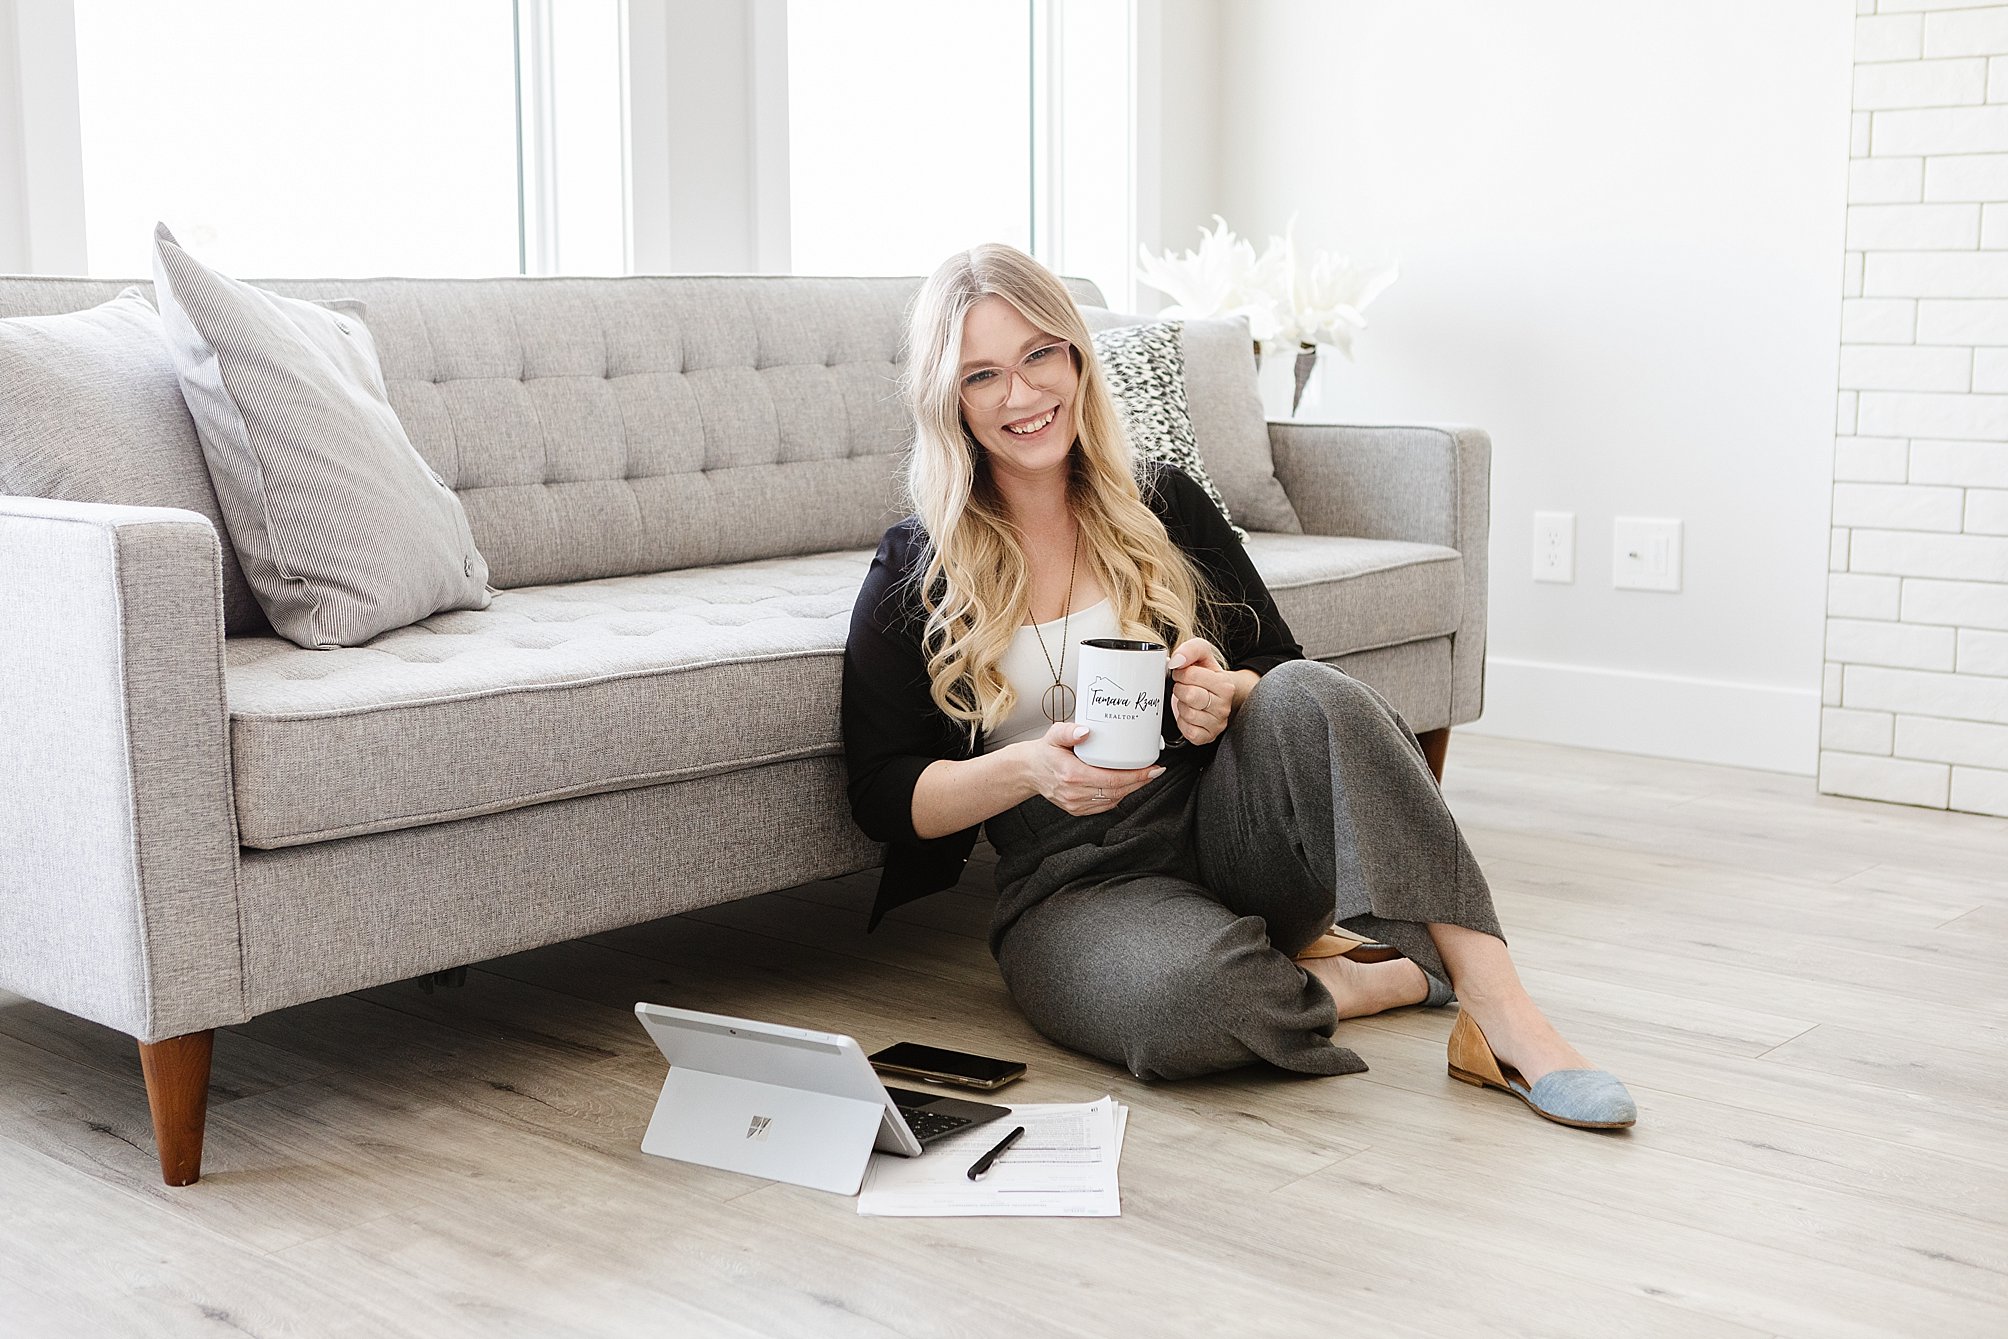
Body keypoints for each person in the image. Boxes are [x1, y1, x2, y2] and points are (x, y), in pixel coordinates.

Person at [840, 243, 1635, 1130]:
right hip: (1071, 886)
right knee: (1188, 1004)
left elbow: (1277, 665)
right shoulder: (920, 566)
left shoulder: (1161, 502)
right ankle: (1351, 978)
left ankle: (1506, 1021)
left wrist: (1228, 692)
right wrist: (1027, 771)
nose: (1022, 395)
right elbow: (880, 793)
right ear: (949, 400)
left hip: (1224, 822)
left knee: (1312, 691)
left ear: (1074, 357)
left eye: (1038, 355)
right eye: (984, 374)